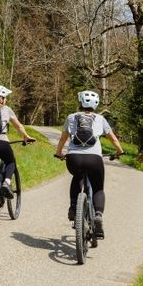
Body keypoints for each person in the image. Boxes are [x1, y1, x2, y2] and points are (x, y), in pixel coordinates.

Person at [55, 90, 124, 238]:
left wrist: (59, 152)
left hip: (74, 158)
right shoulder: (100, 119)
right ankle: (98, 214)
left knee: (77, 176)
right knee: (98, 188)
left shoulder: (71, 117)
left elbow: (62, 139)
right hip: (94, 159)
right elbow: (113, 138)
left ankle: (74, 207)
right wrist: (119, 151)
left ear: (79, 103)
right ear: (96, 104)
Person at [0, 84, 35, 198]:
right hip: (1, 142)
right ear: (0, 98)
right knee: (10, 161)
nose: (6, 99)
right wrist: (26, 137)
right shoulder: (7, 110)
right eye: (4, 97)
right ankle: (6, 183)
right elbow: (18, 126)